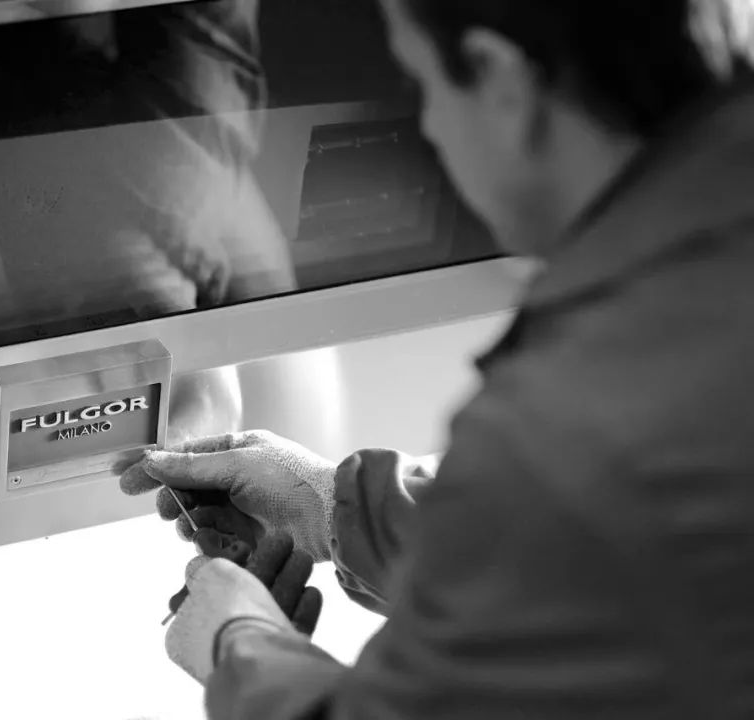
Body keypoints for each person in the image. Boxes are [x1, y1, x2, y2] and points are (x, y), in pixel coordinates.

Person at [120, 0, 754, 717]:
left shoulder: (569, 421)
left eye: (422, 85)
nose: (428, 127)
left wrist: (237, 643)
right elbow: (610, 557)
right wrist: (332, 507)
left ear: (497, 76)